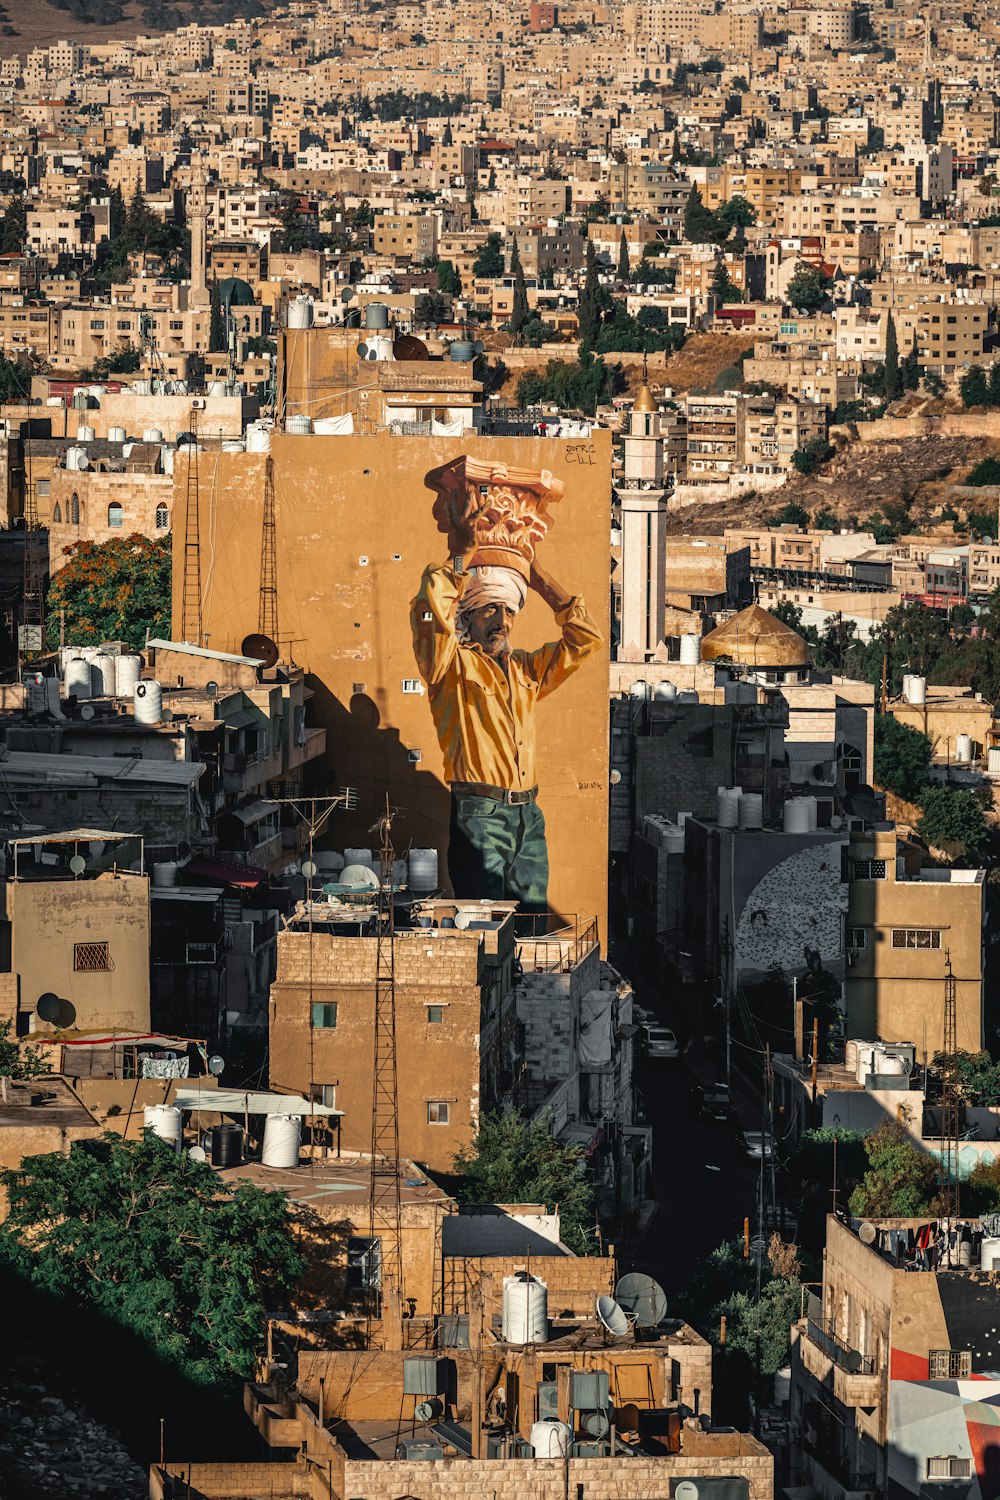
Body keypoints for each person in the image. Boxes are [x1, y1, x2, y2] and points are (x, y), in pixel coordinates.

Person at [410, 551, 602, 911]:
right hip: (480, 811)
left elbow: (585, 639)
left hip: (528, 813)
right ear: (467, 615)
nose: (502, 621)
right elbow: (430, 611)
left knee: (532, 920)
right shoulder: (450, 668)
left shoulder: (525, 671)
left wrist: (539, 577)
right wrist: (460, 559)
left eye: (509, 611)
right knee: (486, 922)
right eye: (490, 609)